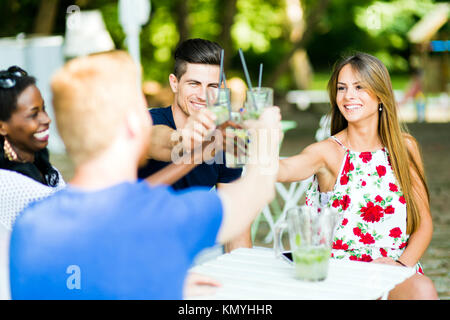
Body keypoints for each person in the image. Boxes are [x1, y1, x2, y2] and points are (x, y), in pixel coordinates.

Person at [9, 50, 281, 299]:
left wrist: (160, 283)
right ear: (132, 124)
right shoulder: (162, 218)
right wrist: (266, 135)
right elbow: (256, 190)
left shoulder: (30, 224)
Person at [277, 52, 438, 299]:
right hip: (340, 273)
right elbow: (284, 170)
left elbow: (424, 223)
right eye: (342, 88)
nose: (348, 96)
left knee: (423, 288)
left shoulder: (403, 148)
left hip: (393, 269)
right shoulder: (328, 152)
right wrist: (261, 143)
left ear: (381, 94)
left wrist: (401, 266)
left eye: (359, 87)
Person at [138, 38, 251, 252]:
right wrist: (183, 138)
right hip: (143, 252)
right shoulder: (147, 124)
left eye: (212, 86)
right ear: (174, 83)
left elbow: (236, 224)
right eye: (194, 84)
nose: (203, 95)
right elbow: (159, 140)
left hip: (197, 253)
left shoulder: (224, 137)